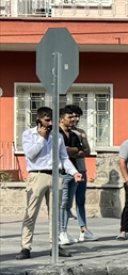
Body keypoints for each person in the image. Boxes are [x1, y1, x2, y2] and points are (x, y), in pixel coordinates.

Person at [18, 107, 83, 259]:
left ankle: (55, 246)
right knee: (31, 213)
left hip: (56, 175)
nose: (50, 123)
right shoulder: (29, 134)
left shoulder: (57, 137)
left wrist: (74, 172)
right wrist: (41, 138)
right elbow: (30, 155)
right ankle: (25, 247)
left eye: (51, 120)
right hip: (37, 175)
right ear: (39, 120)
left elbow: (64, 158)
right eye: (47, 120)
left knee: (55, 214)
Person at [56, 106, 88, 246]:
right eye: (70, 117)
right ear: (62, 119)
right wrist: (70, 151)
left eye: (74, 117)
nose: (73, 120)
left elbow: (82, 151)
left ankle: (64, 231)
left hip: (73, 171)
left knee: (68, 205)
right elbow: (59, 152)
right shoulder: (55, 133)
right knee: (61, 204)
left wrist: (70, 150)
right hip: (60, 173)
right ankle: (60, 232)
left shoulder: (74, 135)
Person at [65, 104, 95, 242]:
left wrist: (76, 152)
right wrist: (76, 151)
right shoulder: (60, 132)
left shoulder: (81, 132)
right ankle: (63, 231)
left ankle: (83, 229)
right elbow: (62, 151)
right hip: (67, 171)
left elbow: (87, 151)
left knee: (81, 201)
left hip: (81, 169)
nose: (75, 119)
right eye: (73, 116)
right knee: (65, 203)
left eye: (77, 116)